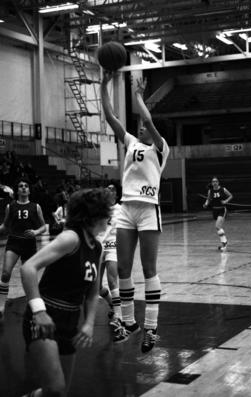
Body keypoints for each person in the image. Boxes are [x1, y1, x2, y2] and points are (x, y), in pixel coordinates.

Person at [101, 72, 170, 353]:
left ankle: (151, 328)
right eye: (139, 125)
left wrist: (139, 96)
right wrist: (104, 84)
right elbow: (110, 118)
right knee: (125, 268)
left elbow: (150, 121)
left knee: (149, 269)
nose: (140, 127)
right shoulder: (130, 143)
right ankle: (129, 322)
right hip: (127, 209)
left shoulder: (161, 148)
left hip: (148, 210)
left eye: (143, 126)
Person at [21, 188, 112, 397]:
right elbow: (28, 268)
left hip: (70, 320)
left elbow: (92, 292)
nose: (108, 217)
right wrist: (39, 311)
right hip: (45, 316)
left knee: (58, 393)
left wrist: (89, 324)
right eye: (104, 212)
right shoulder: (71, 238)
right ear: (93, 215)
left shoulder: (96, 247)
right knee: (55, 387)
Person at [0, 178, 46, 319]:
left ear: (29, 190)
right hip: (14, 242)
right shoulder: (11, 207)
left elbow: (44, 227)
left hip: (29, 244)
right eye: (21, 186)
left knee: (28, 277)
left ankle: (32, 306)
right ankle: (1, 306)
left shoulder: (36, 207)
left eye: (26, 186)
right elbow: (5, 226)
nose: (24, 188)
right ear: (17, 190)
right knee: (6, 274)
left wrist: (36, 232)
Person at [98, 183, 126, 343]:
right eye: (107, 189)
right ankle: (112, 304)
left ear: (116, 194)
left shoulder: (121, 209)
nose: (109, 192)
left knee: (112, 280)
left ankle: (119, 315)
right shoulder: (99, 209)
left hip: (113, 246)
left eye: (112, 190)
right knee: (95, 286)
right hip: (99, 246)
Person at [203, 176, 233, 251]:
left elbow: (231, 196)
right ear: (212, 183)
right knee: (218, 228)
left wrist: (226, 201)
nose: (215, 183)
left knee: (217, 226)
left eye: (216, 181)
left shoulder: (223, 189)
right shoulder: (210, 191)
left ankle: (224, 243)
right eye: (213, 181)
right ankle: (224, 243)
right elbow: (208, 199)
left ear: (218, 182)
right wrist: (206, 204)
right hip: (214, 210)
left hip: (222, 210)